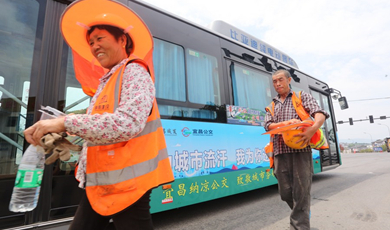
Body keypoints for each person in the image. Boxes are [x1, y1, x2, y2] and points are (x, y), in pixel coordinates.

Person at [23, 0, 174, 229]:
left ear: (122, 39)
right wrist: (70, 137)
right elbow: (101, 126)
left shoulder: (134, 71)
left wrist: (65, 123)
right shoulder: (107, 81)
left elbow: (126, 124)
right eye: (91, 42)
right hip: (104, 180)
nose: (94, 46)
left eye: (100, 39)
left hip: (128, 183)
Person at [264, 69, 329, 230]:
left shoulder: (301, 97)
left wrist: (312, 129)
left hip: (301, 151)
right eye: (274, 81)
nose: (277, 84)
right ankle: (303, 210)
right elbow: (267, 125)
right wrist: (285, 124)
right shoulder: (271, 105)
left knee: (301, 191)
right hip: (279, 152)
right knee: (285, 192)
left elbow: (320, 113)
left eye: (280, 80)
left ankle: (299, 225)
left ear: (289, 80)